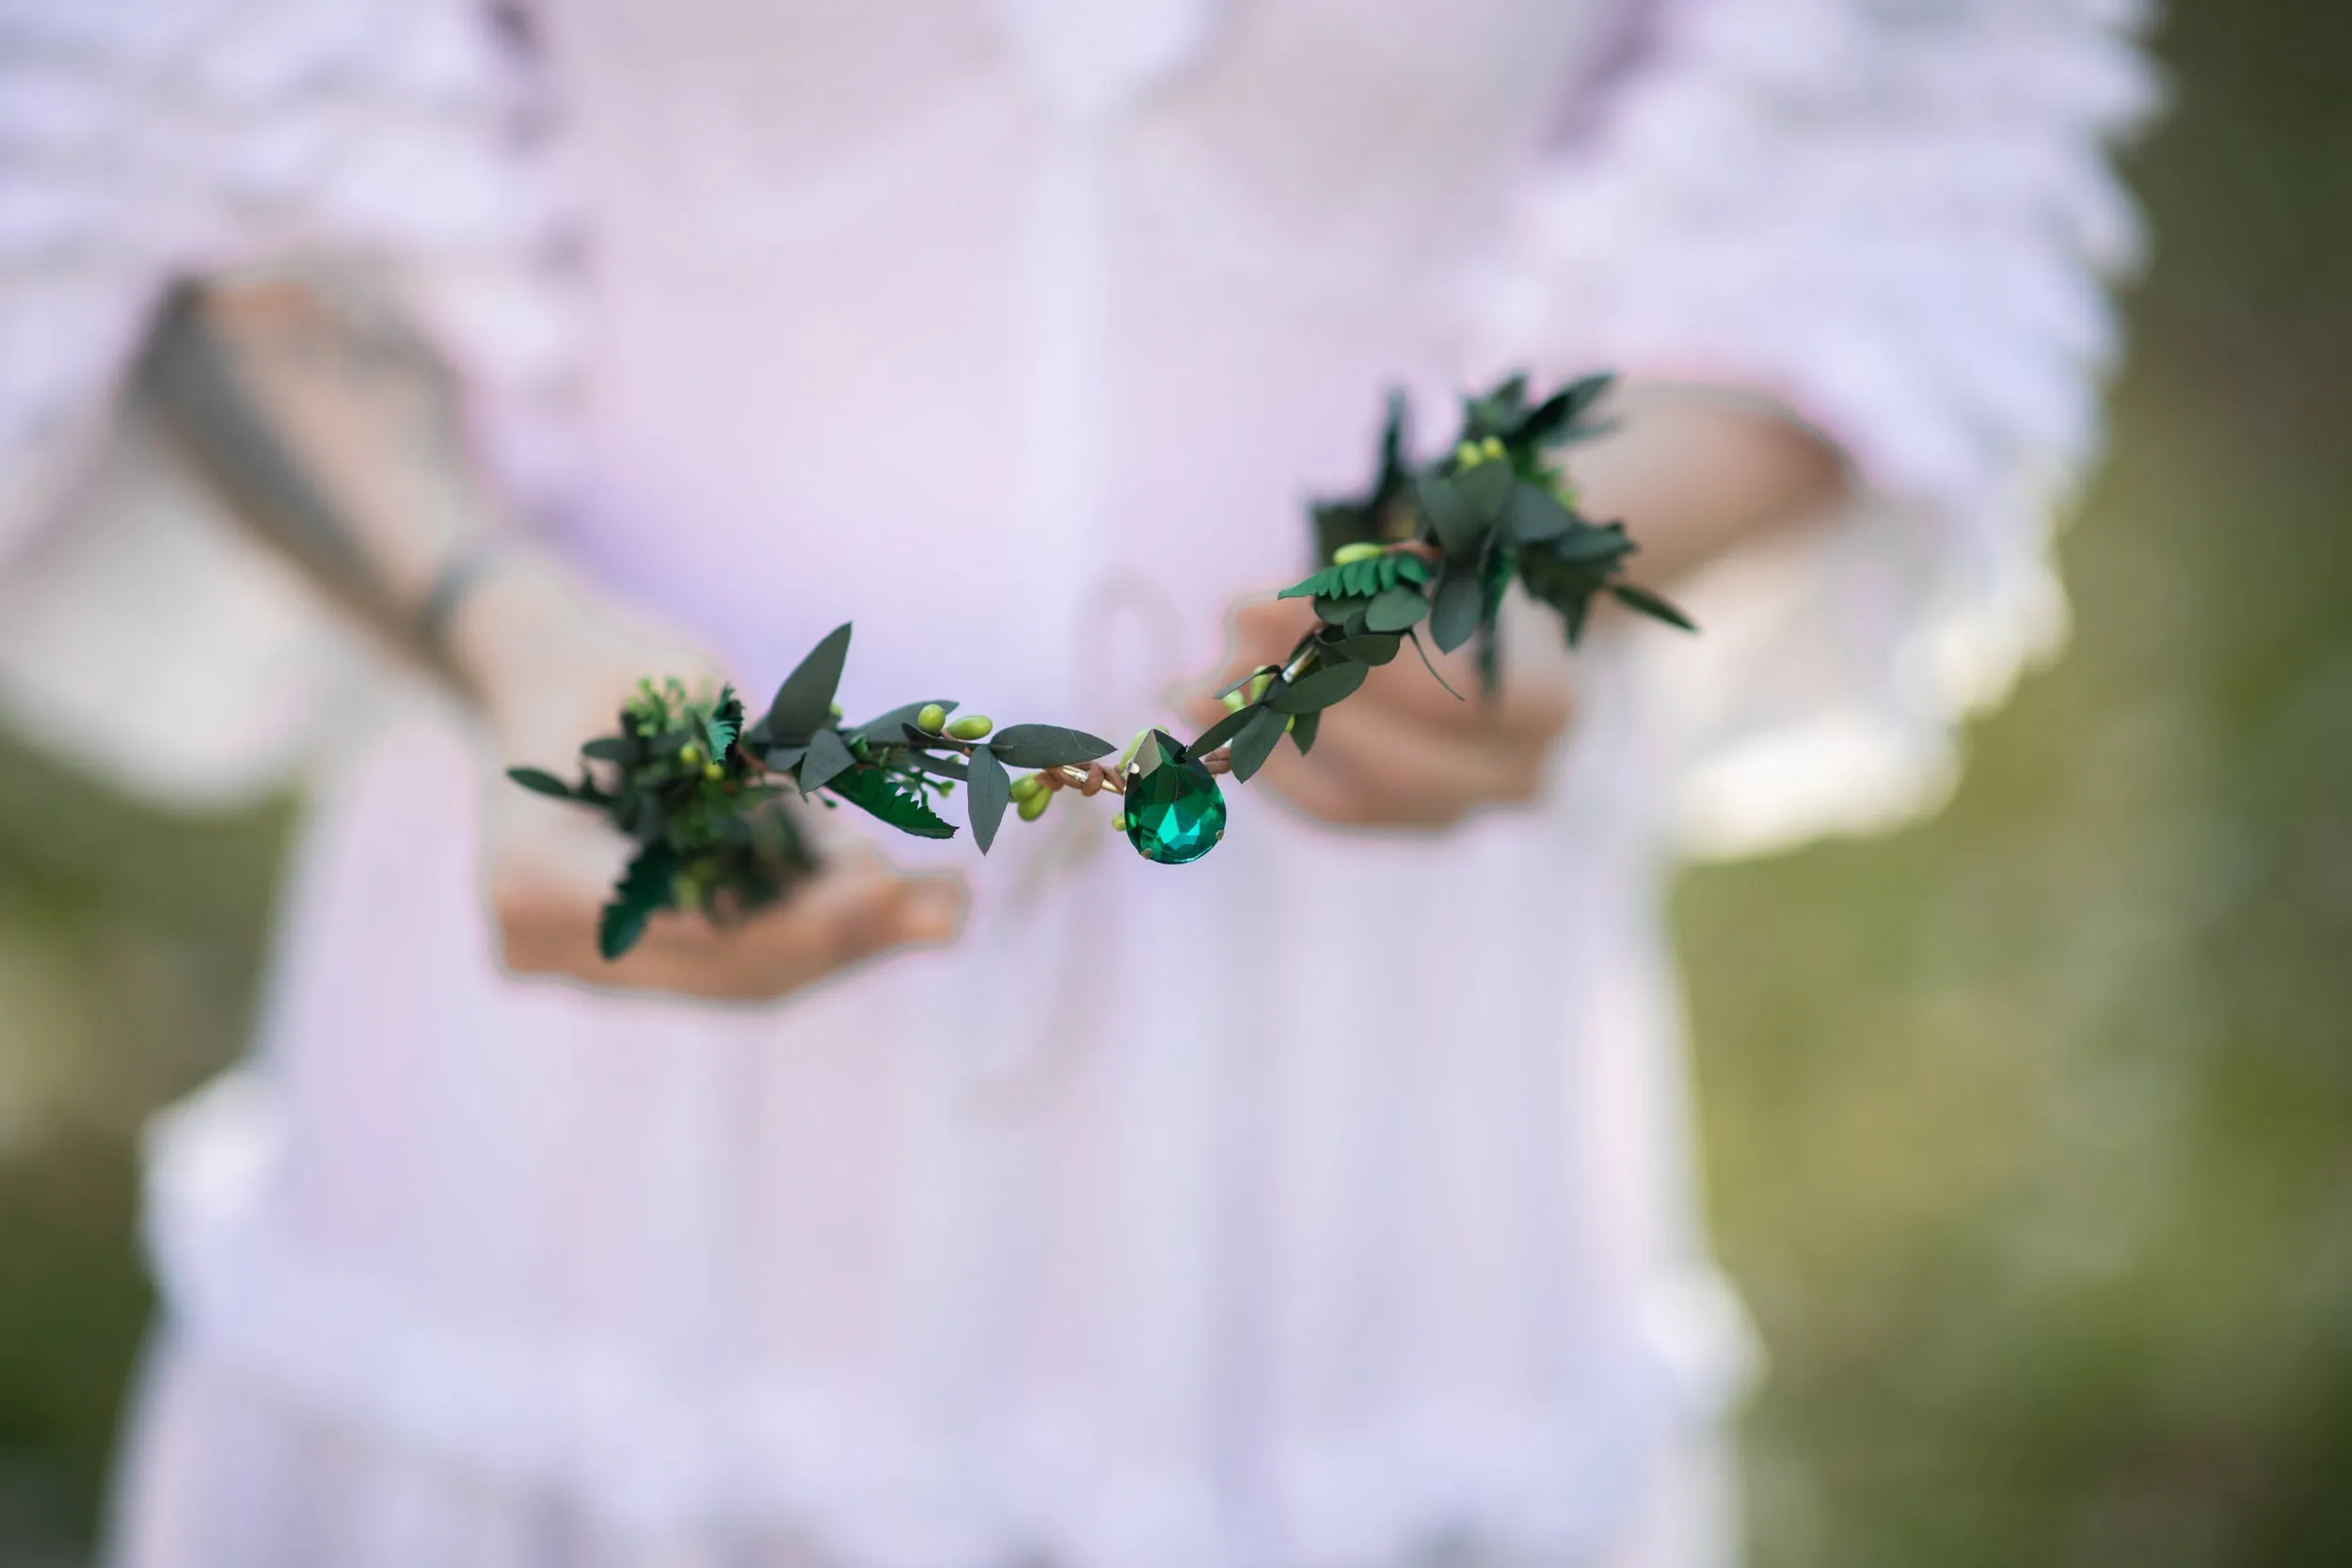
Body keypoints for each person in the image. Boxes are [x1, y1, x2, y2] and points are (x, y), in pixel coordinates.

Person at [0, 1, 2153, 1564]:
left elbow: (1886, 171)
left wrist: (1524, 547)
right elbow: (187, 154)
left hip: (1356, 1161)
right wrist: (497, 620)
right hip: (551, 1128)